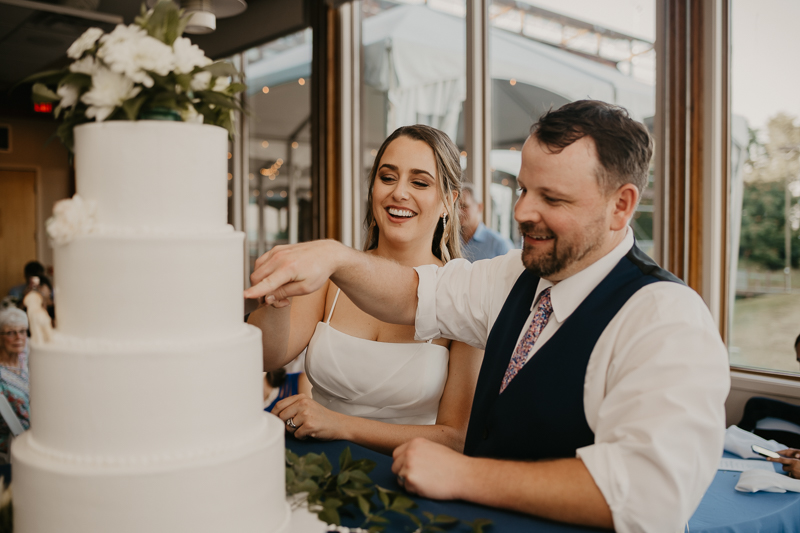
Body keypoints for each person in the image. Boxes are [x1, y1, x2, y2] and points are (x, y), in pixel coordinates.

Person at [243, 100, 731, 532]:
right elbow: (414, 296)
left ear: (620, 206)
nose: (522, 212)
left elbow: (649, 496)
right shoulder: (512, 278)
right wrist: (336, 258)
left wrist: (466, 473)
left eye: (551, 198)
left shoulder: (667, 319)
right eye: (522, 190)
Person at [247, 124, 483, 456]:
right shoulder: (332, 275)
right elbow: (267, 356)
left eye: (419, 182)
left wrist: (340, 425)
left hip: (410, 479)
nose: (399, 192)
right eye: (388, 177)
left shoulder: (463, 294)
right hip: (317, 466)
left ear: (448, 201)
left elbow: (455, 437)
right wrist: (277, 299)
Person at [0, 307, 31, 457]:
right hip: (12, 442)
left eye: (23, 331)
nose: (19, 337)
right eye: (11, 333)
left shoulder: (25, 356)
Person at [459, 182, 514, 261]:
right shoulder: (448, 242)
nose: (458, 211)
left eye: (464, 206)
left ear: (479, 207)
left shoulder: (500, 245)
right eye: (455, 207)